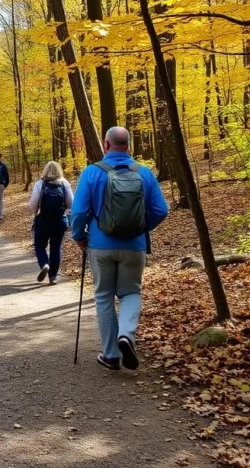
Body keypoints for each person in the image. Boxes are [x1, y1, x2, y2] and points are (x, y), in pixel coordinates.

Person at [71, 127, 168, 372]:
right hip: (134, 246)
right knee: (131, 293)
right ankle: (126, 335)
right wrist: (140, 228)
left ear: (106, 144)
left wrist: (79, 236)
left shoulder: (92, 172)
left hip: (100, 245)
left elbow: (79, 211)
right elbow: (160, 210)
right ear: (129, 144)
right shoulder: (144, 173)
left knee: (104, 295)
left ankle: (111, 355)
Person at [28, 161, 73, 285]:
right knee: (56, 247)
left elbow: (33, 205)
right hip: (60, 220)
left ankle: (44, 264)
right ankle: (53, 276)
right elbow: (71, 203)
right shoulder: (64, 183)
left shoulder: (40, 184)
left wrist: (36, 210)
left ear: (45, 170)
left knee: (39, 245)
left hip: (43, 219)